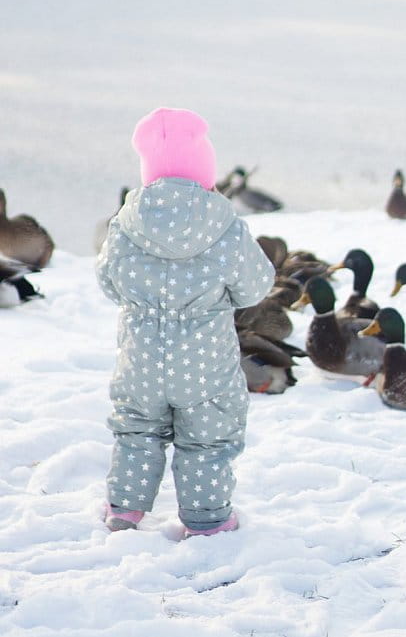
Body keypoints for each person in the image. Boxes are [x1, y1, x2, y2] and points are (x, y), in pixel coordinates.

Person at [96, 106, 275, 537]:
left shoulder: (125, 222)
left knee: (137, 430)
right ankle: (207, 520)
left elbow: (108, 282)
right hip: (204, 365)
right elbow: (256, 286)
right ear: (205, 171)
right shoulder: (226, 226)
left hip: (141, 359)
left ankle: (125, 510)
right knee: (207, 438)